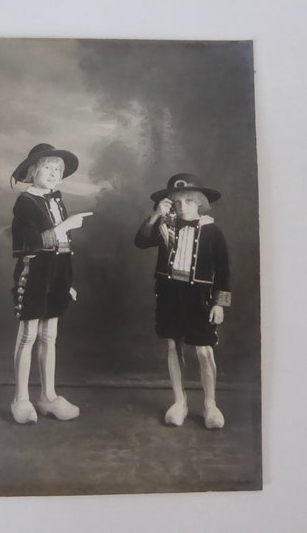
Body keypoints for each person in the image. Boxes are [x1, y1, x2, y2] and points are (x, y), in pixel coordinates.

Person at [135, 173, 231, 429]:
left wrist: (219, 303)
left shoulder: (212, 231)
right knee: (173, 347)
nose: (183, 207)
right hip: (169, 294)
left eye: (189, 201)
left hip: (199, 297)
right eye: (177, 202)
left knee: (203, 350)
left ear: (200, 202)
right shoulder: (165, 226)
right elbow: (140, 242)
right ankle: (180, 401)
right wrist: (156, 215)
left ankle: (210, 404)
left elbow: (223, 271)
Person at [8, 143, 93, 424]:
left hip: (56, 276)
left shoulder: (56, 200)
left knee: (49, 337)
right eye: (48, 167)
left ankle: (47, 396)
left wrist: (66, 283)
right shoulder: (25, 202)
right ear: (33, 171)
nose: (55, 173)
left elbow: (63, 248)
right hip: (34, 274)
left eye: (58, 169)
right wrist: (66, 225)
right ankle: (21, 399)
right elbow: (31, 244)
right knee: (29, 335)